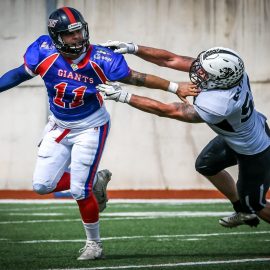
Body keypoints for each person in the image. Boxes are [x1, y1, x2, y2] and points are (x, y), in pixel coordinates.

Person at [0, 8, 197, 260]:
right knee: (42, 185)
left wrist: (173, 86)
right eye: (71, 34)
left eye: (80, 30)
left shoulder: (102, 58)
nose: (79, 37)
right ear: (56, 37)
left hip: (90, 126)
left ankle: (94, 244)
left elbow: (138, 78)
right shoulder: (42, 50)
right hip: (59, 124)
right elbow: (18, 74)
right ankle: (94, 182)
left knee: (78, 191)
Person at [97, 42, 270, 227]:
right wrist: (133, 48)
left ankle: (247, 208)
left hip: (254, 151)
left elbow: (168, 110)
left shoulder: (219, 105)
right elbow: (171, 59)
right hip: (241, 135)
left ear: (221, 79)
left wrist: (124, 96)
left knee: (255, 204)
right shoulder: (234, 74)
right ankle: (242, 210)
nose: (199, 72)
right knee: (206, 165)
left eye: (206, 72)